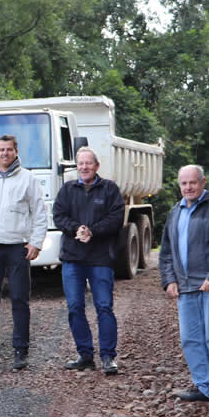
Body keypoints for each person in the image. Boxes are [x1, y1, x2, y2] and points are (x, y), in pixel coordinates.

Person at [158, 164, 209, 410]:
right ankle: (203, 386)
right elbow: (166, 251)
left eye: (192, 182)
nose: (188, 187)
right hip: (185, 287)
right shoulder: (176, 211)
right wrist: (168, 279)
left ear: (203, 183)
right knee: (190, 339)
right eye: (183, 183)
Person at [0, 135, 48, 371]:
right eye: (1, 149)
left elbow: (40, 213)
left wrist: (36, 243)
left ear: (16, 152)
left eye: (9, 150)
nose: (5, 153)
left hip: (17, 246)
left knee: (19, 300)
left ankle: (20, 351)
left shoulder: (28, 179)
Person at [52, 146, 125, 375]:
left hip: (100, 258)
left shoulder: (110, 189)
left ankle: (108, 356)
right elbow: (58, 216)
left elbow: (116, 218)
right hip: (73, 258)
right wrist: (77, 229)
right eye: (80, 163)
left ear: (96, 166)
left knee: (104, 307)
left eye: (88, 163)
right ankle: (84, 355)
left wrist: (93, 231)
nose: (84, 167)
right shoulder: (67, 190)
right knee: (75, 307)